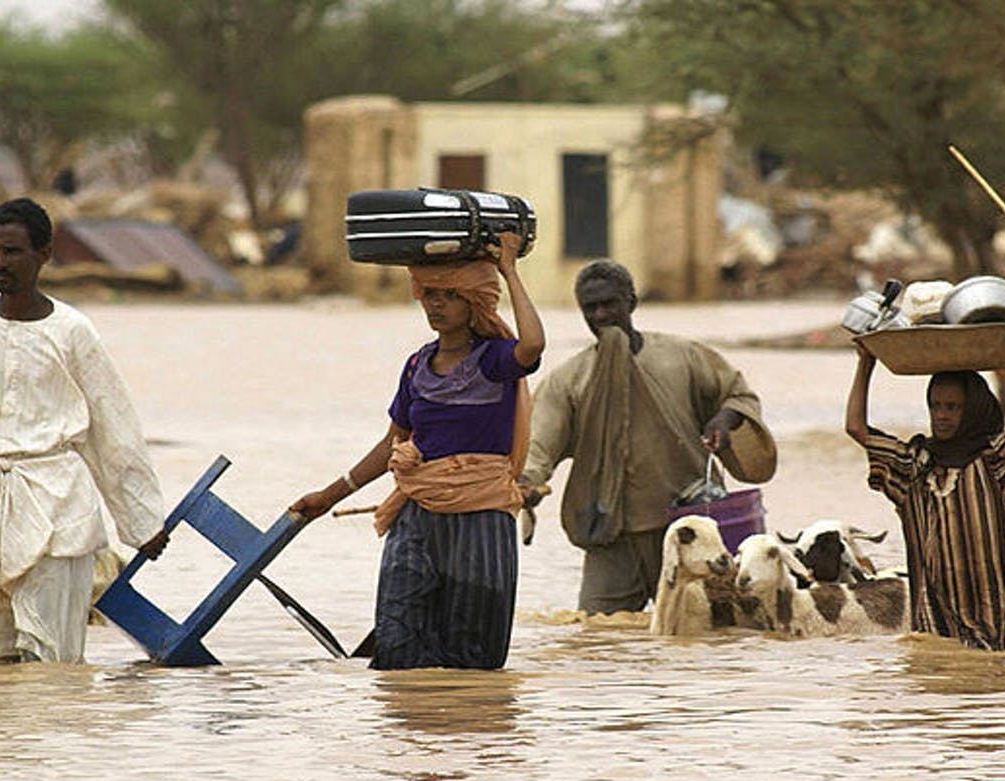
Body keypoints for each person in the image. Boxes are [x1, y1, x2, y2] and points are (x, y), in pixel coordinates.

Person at [0, 198, 169, 664]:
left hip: (56, 506)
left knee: (48, 658)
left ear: (44, 255)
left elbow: (112, 427)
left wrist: (140, 520)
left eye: (13, 252)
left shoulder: (73, 331)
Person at [290, 231, 543, 670]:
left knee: (472, 657)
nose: (435, 305)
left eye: (449, 295)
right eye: (428, 295)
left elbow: (534, 345)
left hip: (479, 517)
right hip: (417, 516)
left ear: (475, 303)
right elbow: (394, 443)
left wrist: (510, 271)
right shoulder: (416, 366)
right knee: (398, 643)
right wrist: (327, 497)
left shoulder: (493, 360)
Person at [519, 259, 777, 616]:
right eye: (590, 308)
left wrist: (722, 420)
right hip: (611, 534)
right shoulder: (569, 380)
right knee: (598, 634)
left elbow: (738, 395)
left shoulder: (682, 357)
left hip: (689, 532)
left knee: (709, 630)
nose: (601, 315)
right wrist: (526, 484)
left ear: (632, 302)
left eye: (610, 303)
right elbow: (538, 444)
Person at [844, 318, 1005, 650]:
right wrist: (866, 363)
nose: (942, 415)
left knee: (981, 680)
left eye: (953, 407)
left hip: (985, 629)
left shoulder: (992, 462)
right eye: (936, 406)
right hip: (930, 622)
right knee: (933, 677)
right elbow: (856, 428)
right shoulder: (915, 464)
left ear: (973, 411)